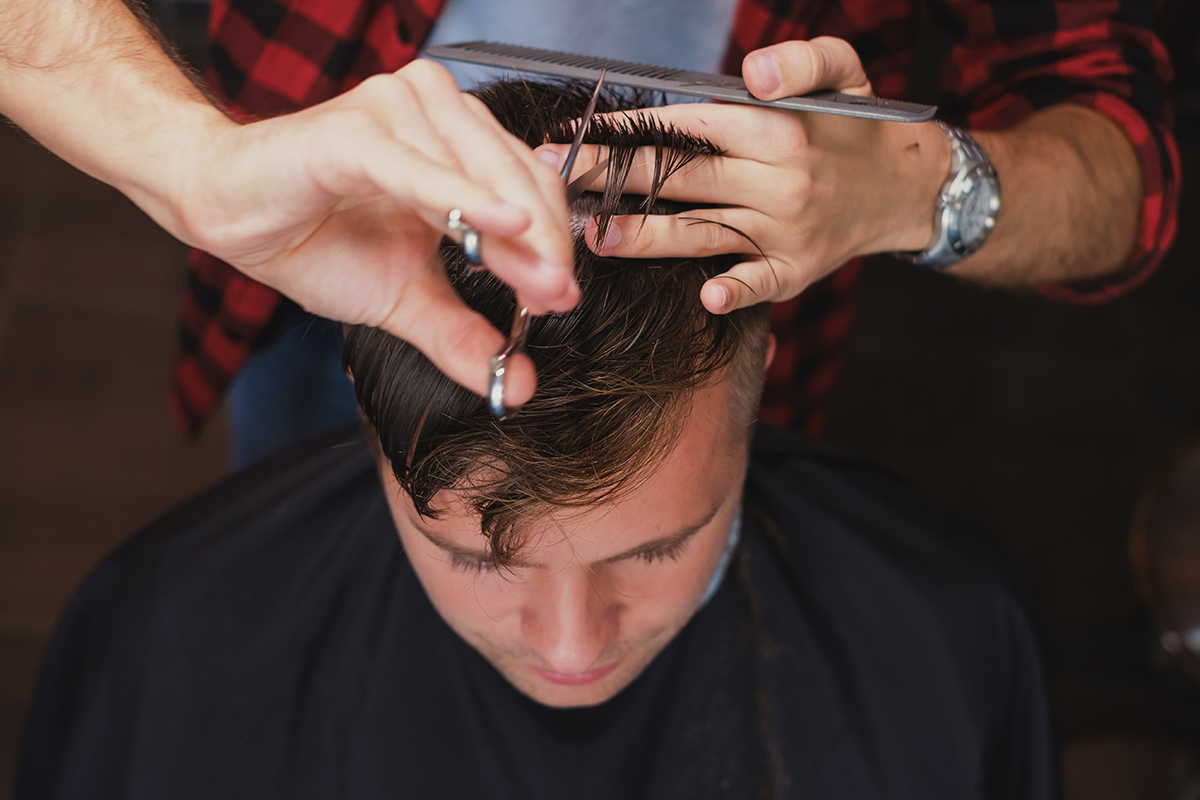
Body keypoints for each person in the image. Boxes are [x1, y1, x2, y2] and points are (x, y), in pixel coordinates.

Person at [17, 80, 1055, 799]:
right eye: (473, 554)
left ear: (760, 382)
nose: (572, 645)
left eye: (654, 547)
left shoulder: (955, 636)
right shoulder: (167, 642)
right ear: (365, 415)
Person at [173, 0, 1179, 468]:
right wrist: (194, 166)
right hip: (325, 252)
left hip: (697, 338)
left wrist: (911, 187)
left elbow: (1123, 177)